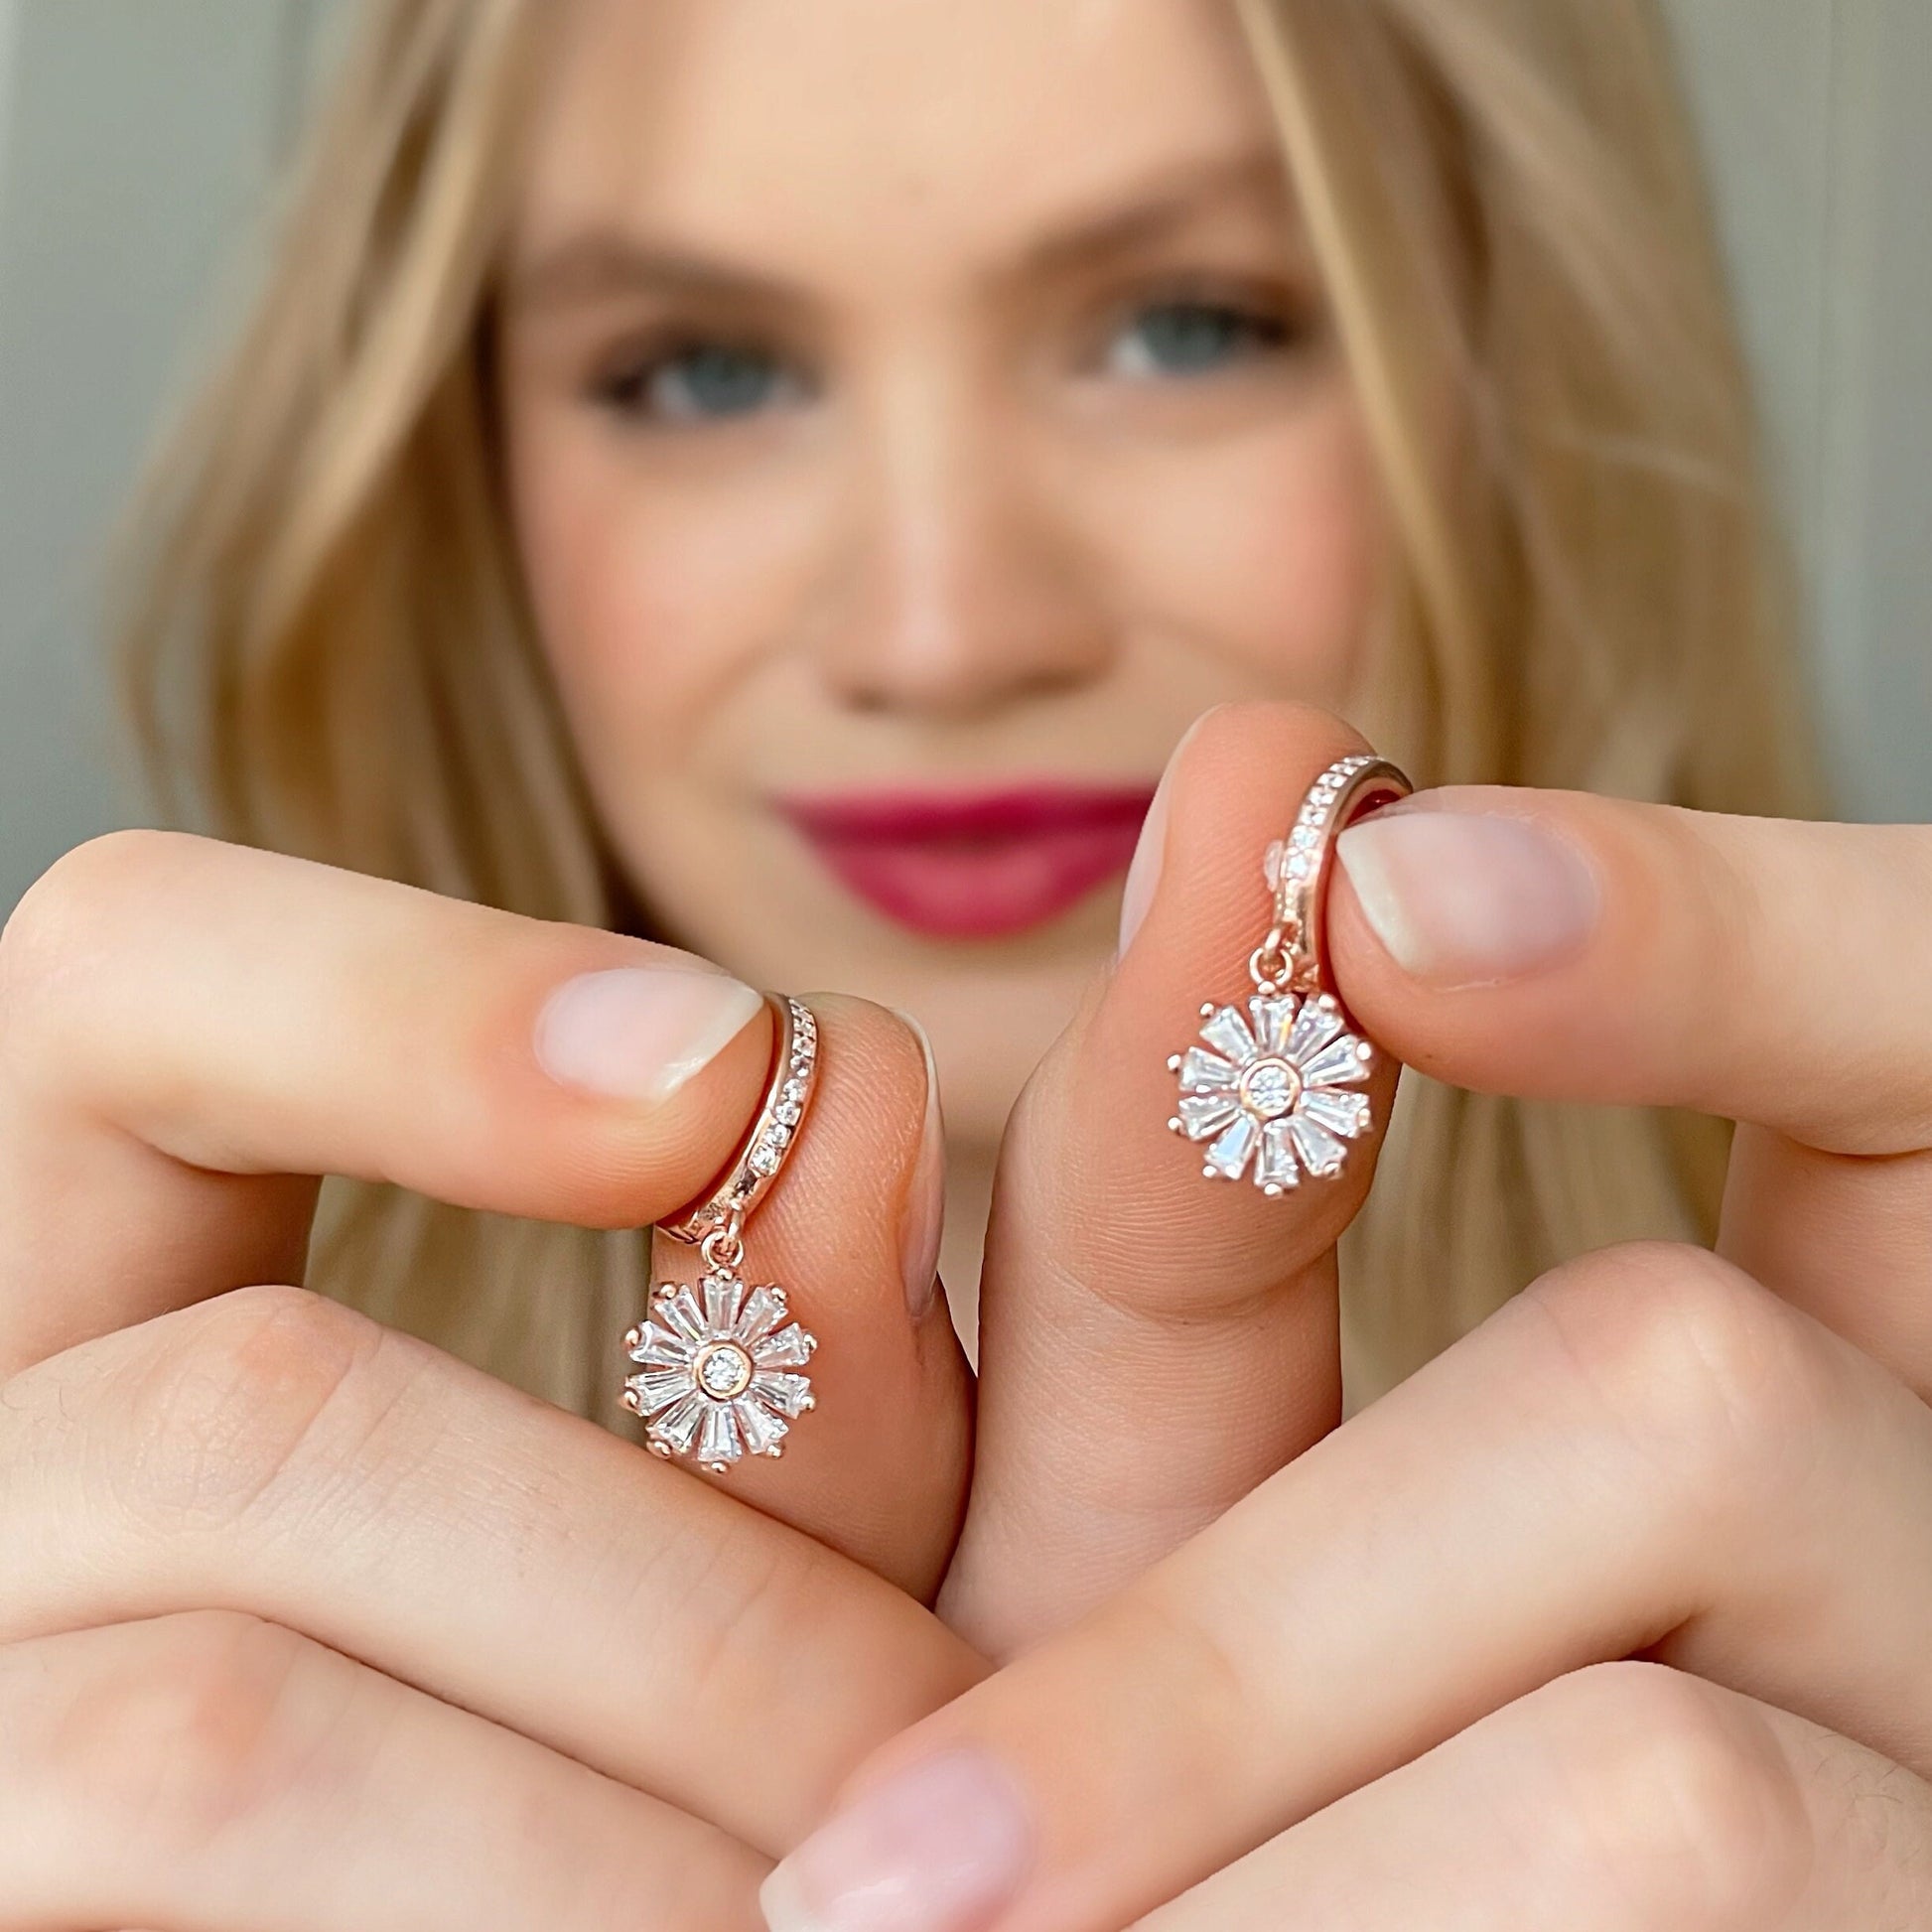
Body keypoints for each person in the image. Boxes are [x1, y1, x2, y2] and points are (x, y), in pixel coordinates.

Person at [4, 0, 1927, 1924]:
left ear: (1523, 390)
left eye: (1184, 326)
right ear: (461, 471)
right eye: (705, 372)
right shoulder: (102, 1550)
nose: (941, 633)